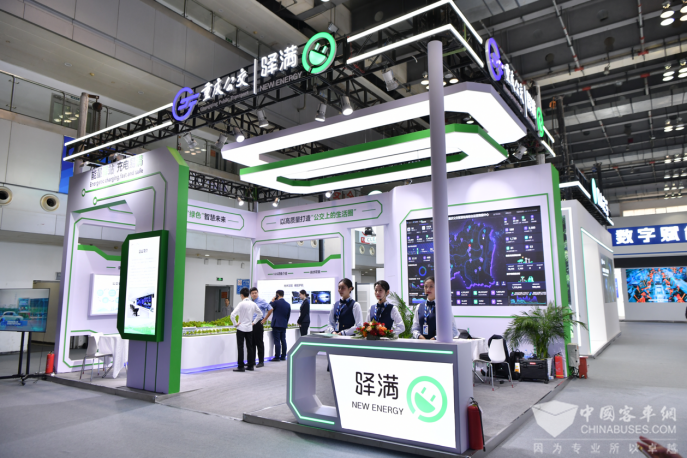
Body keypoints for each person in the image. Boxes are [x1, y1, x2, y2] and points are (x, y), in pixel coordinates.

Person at [230, 288, 262, 372]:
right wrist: (254, 322)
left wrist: (235, 324)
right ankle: (251, 365)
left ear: (241, 295)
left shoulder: (241, 304)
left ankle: (241, 366)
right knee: (250, 347)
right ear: (249, 294)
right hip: (249, 328)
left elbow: (232, 315)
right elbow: (260, 314)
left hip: (241, 328)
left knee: (240, 347)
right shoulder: (253, 304)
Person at [249, 287, 273, 368]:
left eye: (255, 293)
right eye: (252, 293)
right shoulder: (250, 302)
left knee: (259, 342)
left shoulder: (261, 301)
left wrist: (265, 319)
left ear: (257, 293)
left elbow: (270, 309)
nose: (254, 294)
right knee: (252, 343)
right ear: (250, 294)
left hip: (258, 323)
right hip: (251, 324)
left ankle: (261, 361)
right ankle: (252, 362)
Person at [270, 290, 291, 361]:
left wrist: (272, 300)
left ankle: (277, 357)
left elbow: (269, 306)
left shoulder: (276, 302)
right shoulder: (288, 304)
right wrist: (285, 323)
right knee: (283, 340)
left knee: (277, 341)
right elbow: (288, 316)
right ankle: (283, 356)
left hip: (276, 324)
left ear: (277, 295)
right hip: (283, 324)